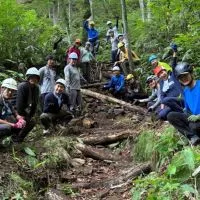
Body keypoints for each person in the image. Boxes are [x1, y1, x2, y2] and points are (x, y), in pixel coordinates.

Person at [167, 62, 200, 145]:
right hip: (194, 118)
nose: (184, 78)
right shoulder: (185, 91)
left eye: (185, 75)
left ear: (191, 73)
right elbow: (187, 110)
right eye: (181, 77)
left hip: (198, 119)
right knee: (171, 116)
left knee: (194, 126)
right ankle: (193, 137)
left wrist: (199, 116)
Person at [153, 47, 183, 120]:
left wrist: (175, 52)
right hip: (172, 104)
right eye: (160, 73)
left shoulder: (173, 76)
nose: (162, 74)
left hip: (181, 99)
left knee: (166, 100)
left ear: (166, 71)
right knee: (161, 114)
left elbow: (174, 64)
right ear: (158, 76)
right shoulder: (161, 83)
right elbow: (162, 96)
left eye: (163, 71)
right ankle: (177, 112)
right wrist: (162, 107)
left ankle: (183, 112)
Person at [15, 67, 40, 142]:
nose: (33, 79)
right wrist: (22, 115)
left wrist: (30, 115)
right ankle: (16, 138)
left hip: (25, 111)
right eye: (31, 77)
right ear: (28, 77)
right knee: (23, 122)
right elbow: (19, 103)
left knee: (31, 122)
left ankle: (19, 139)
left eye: (35, 77)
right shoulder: (23, 86)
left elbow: (35, 103)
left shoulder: (36, 88)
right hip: (15, 110)